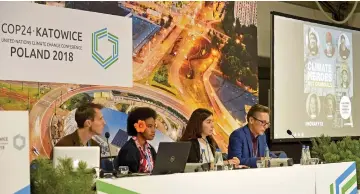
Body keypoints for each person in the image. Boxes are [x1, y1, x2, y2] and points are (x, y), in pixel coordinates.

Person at [115, 107, 157, 173]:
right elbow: (129, 179)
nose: (153, 130)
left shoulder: (151, 149)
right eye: (149, 126)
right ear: (139, 126)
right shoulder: (128, 150)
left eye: (154, 126)